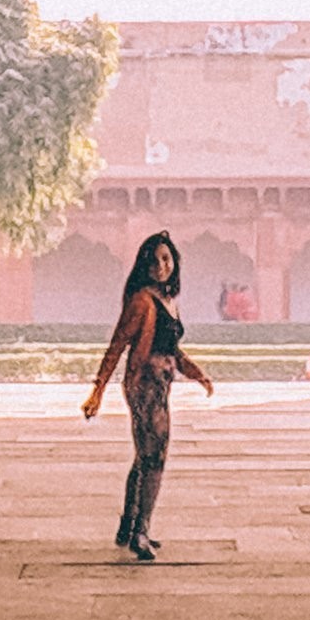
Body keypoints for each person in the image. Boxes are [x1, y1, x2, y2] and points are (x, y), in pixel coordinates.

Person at [83, 230, 212, 562]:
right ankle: (141, 531)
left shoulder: (168, 301)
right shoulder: (142, 301)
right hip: (144, 385)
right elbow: (117, 346)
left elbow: (172, 350)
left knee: (144, 455)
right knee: (155, 457)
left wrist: (197, 374)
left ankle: (128, 525)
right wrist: (97, 391)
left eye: (166, 259)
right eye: (154, 260)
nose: (160, 266)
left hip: (161, 383)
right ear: (144, 264)